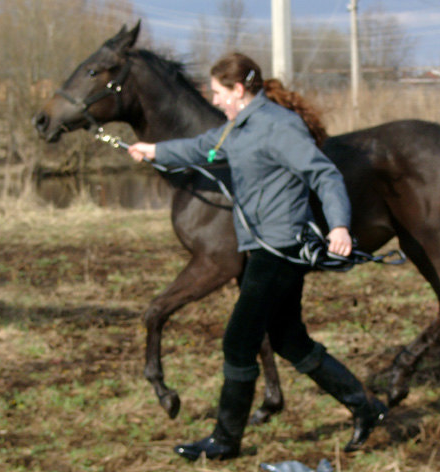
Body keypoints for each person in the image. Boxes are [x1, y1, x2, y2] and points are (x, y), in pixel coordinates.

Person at [128, 52, 387, 461]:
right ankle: (366, 407)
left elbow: (324, 174)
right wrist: (155, 151)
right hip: (263, 247)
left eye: (218, 93)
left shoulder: (278, 127)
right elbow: (202, 148)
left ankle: (225, 441)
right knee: (289, 339)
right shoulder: (239, 129)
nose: (214, 101)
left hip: (280, 250)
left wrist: (338, 225)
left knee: (238, 341)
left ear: (238, 89)